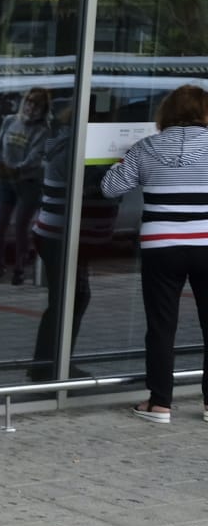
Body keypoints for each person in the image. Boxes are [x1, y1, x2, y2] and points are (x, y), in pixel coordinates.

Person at [101, 83, 208, 424]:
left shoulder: (146, 147)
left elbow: (110, 187)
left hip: (162, 246)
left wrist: (122, 162)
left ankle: (159, 404)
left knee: (161, 326)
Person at [28, 102, 121, 382]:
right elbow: (103, 185)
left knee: (71, 298)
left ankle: (53, 362)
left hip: (63, 234)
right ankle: (49, 366)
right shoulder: (74, 146)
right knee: (70, 299)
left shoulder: (66, 142)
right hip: (63, 235)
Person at [0, 88, 51, 284]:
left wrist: (16, 169)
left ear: (43, 108)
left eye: (36, 103)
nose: (31, 106)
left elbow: (34, 157)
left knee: (21, 226)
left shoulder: (42, 130)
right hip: (6, 180)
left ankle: (20, 268)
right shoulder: (10, 121)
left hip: (27, 182)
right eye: (29, 101)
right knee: (0, 224)